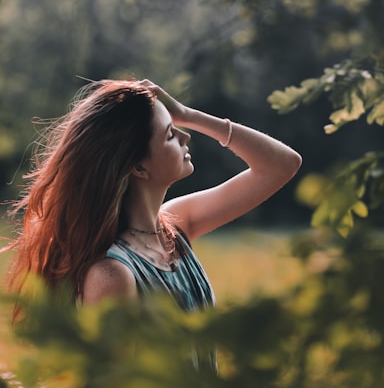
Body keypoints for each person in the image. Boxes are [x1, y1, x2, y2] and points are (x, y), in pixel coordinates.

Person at [4, 78, 301, 323]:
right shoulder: (112, 275)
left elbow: (282, 165)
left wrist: (188, 114)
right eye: (170, 134)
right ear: (139, 167)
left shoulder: (174, 227)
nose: (185, 136)